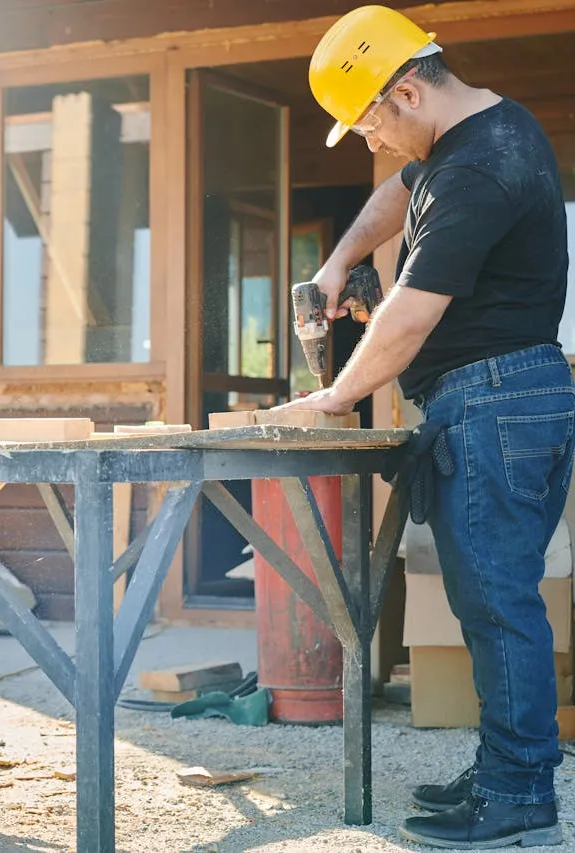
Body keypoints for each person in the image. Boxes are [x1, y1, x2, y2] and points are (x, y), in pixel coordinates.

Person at [284, 5, 572, 849]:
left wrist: (332, 397)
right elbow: (393, 197)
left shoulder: (479, 167)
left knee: (498, 605)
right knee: (492, 599)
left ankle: (520, 793)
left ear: (405, 90)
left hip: (494, 398)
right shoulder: (477, 139)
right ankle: (505, 771)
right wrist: (337, 262)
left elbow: (407, 316)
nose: (376, 139)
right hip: (497, 395)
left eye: (372, 120)